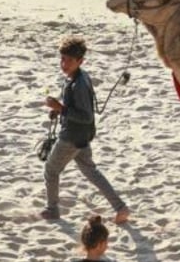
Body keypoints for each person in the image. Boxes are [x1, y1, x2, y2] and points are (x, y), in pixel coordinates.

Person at [41, 36, 129, 224]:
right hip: (83, 137)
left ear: (80, 61)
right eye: (62, 59)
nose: (63, 64)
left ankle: (52, 209)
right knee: (91, 172)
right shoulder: (78, 77)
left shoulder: (78, 84)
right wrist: (60, 111)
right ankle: (121, 208)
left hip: (72, 137)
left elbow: (86, 116)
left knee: (51, 169)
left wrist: (61, 108)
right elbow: (79, 110)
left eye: (68, 60)